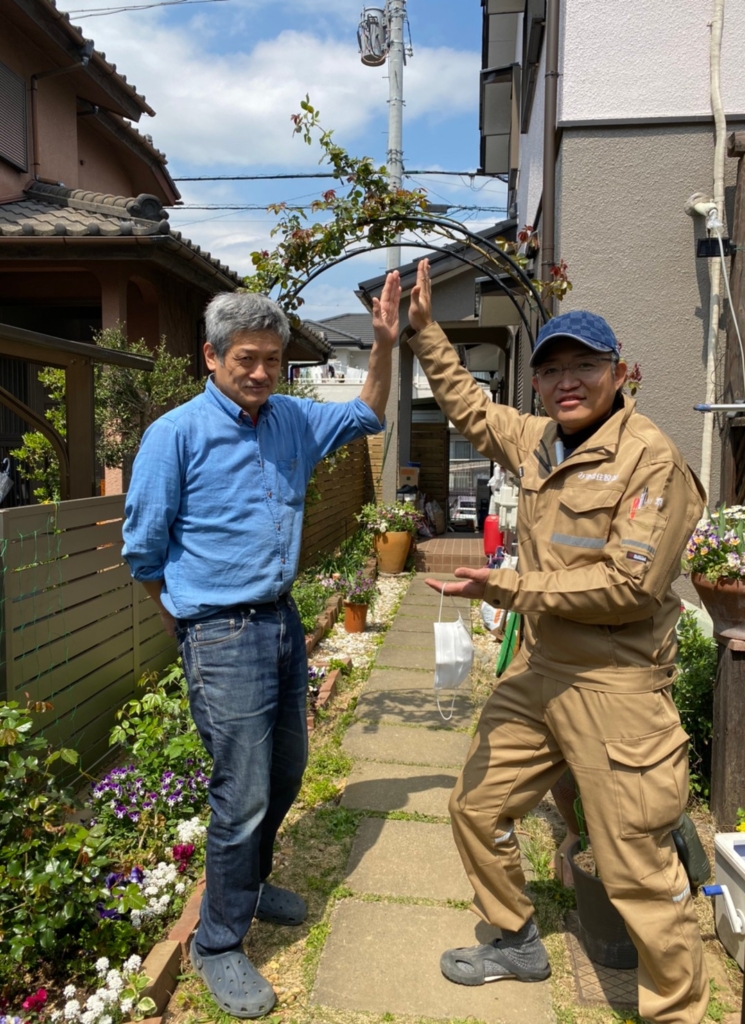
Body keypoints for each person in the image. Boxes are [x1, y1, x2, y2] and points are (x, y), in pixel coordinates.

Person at [405, 259, 708, 1024]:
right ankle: (514, 938)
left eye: (583, 365)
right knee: (476, 806)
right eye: (551, 370)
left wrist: (504, 585)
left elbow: (629, 586)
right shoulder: (540, 441)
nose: (566, 380)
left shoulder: (651, 458)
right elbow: (471, 408)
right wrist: (423, 332)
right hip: (542, 670)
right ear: (537, 384)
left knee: (634, 867)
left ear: (617, 373)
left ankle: (677, 1010)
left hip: (615, 683)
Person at [121, 274, 401, 1018]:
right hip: (219, 632)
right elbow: (144, 554)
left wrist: (383, 343)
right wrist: (189, 626)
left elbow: (369, 410)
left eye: (273, 360)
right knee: (239, 792)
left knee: (285, 771)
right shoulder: (174, 435)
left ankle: (246, 885)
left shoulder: (292, 423)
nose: (261, 372)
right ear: (210, 357)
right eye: (247, 358)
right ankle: (216, 942)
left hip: (279, 622)